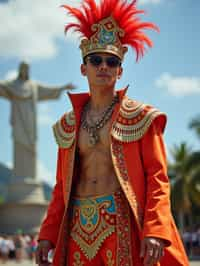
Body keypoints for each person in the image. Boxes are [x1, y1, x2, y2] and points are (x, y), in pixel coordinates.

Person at [36, 0, 189, 265]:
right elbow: (61, 186)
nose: (103, 66)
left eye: (112, 61)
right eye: (96, 60)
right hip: (77, 227)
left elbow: (157, 178)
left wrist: (154, 230)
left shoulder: (141, 117)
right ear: (84, 68)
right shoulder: (68, 125)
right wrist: (47, 235)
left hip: (121, 224)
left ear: (120, 70)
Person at [0, 61, 75, 179]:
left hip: (30, 121)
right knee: (19, 146)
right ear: (20, 70)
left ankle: (30, 179)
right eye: (23, 68)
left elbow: (48, 90)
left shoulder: (33, 86)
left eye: (26, 68)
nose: (24, 70)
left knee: (31, 146)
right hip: (18, 121)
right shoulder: (13, 85)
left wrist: (63, 87)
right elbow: (2, 85)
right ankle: (19, 180)